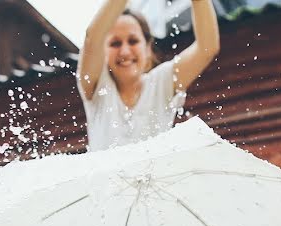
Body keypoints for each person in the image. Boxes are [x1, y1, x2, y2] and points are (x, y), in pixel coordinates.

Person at [77, 0, 220, 150]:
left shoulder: (161, 82)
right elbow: (92, 38)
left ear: (147, 49)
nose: (125, 51)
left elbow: (207, 48)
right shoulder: (97, 86)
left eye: (133, 41)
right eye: (115, 43)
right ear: (103, 52)